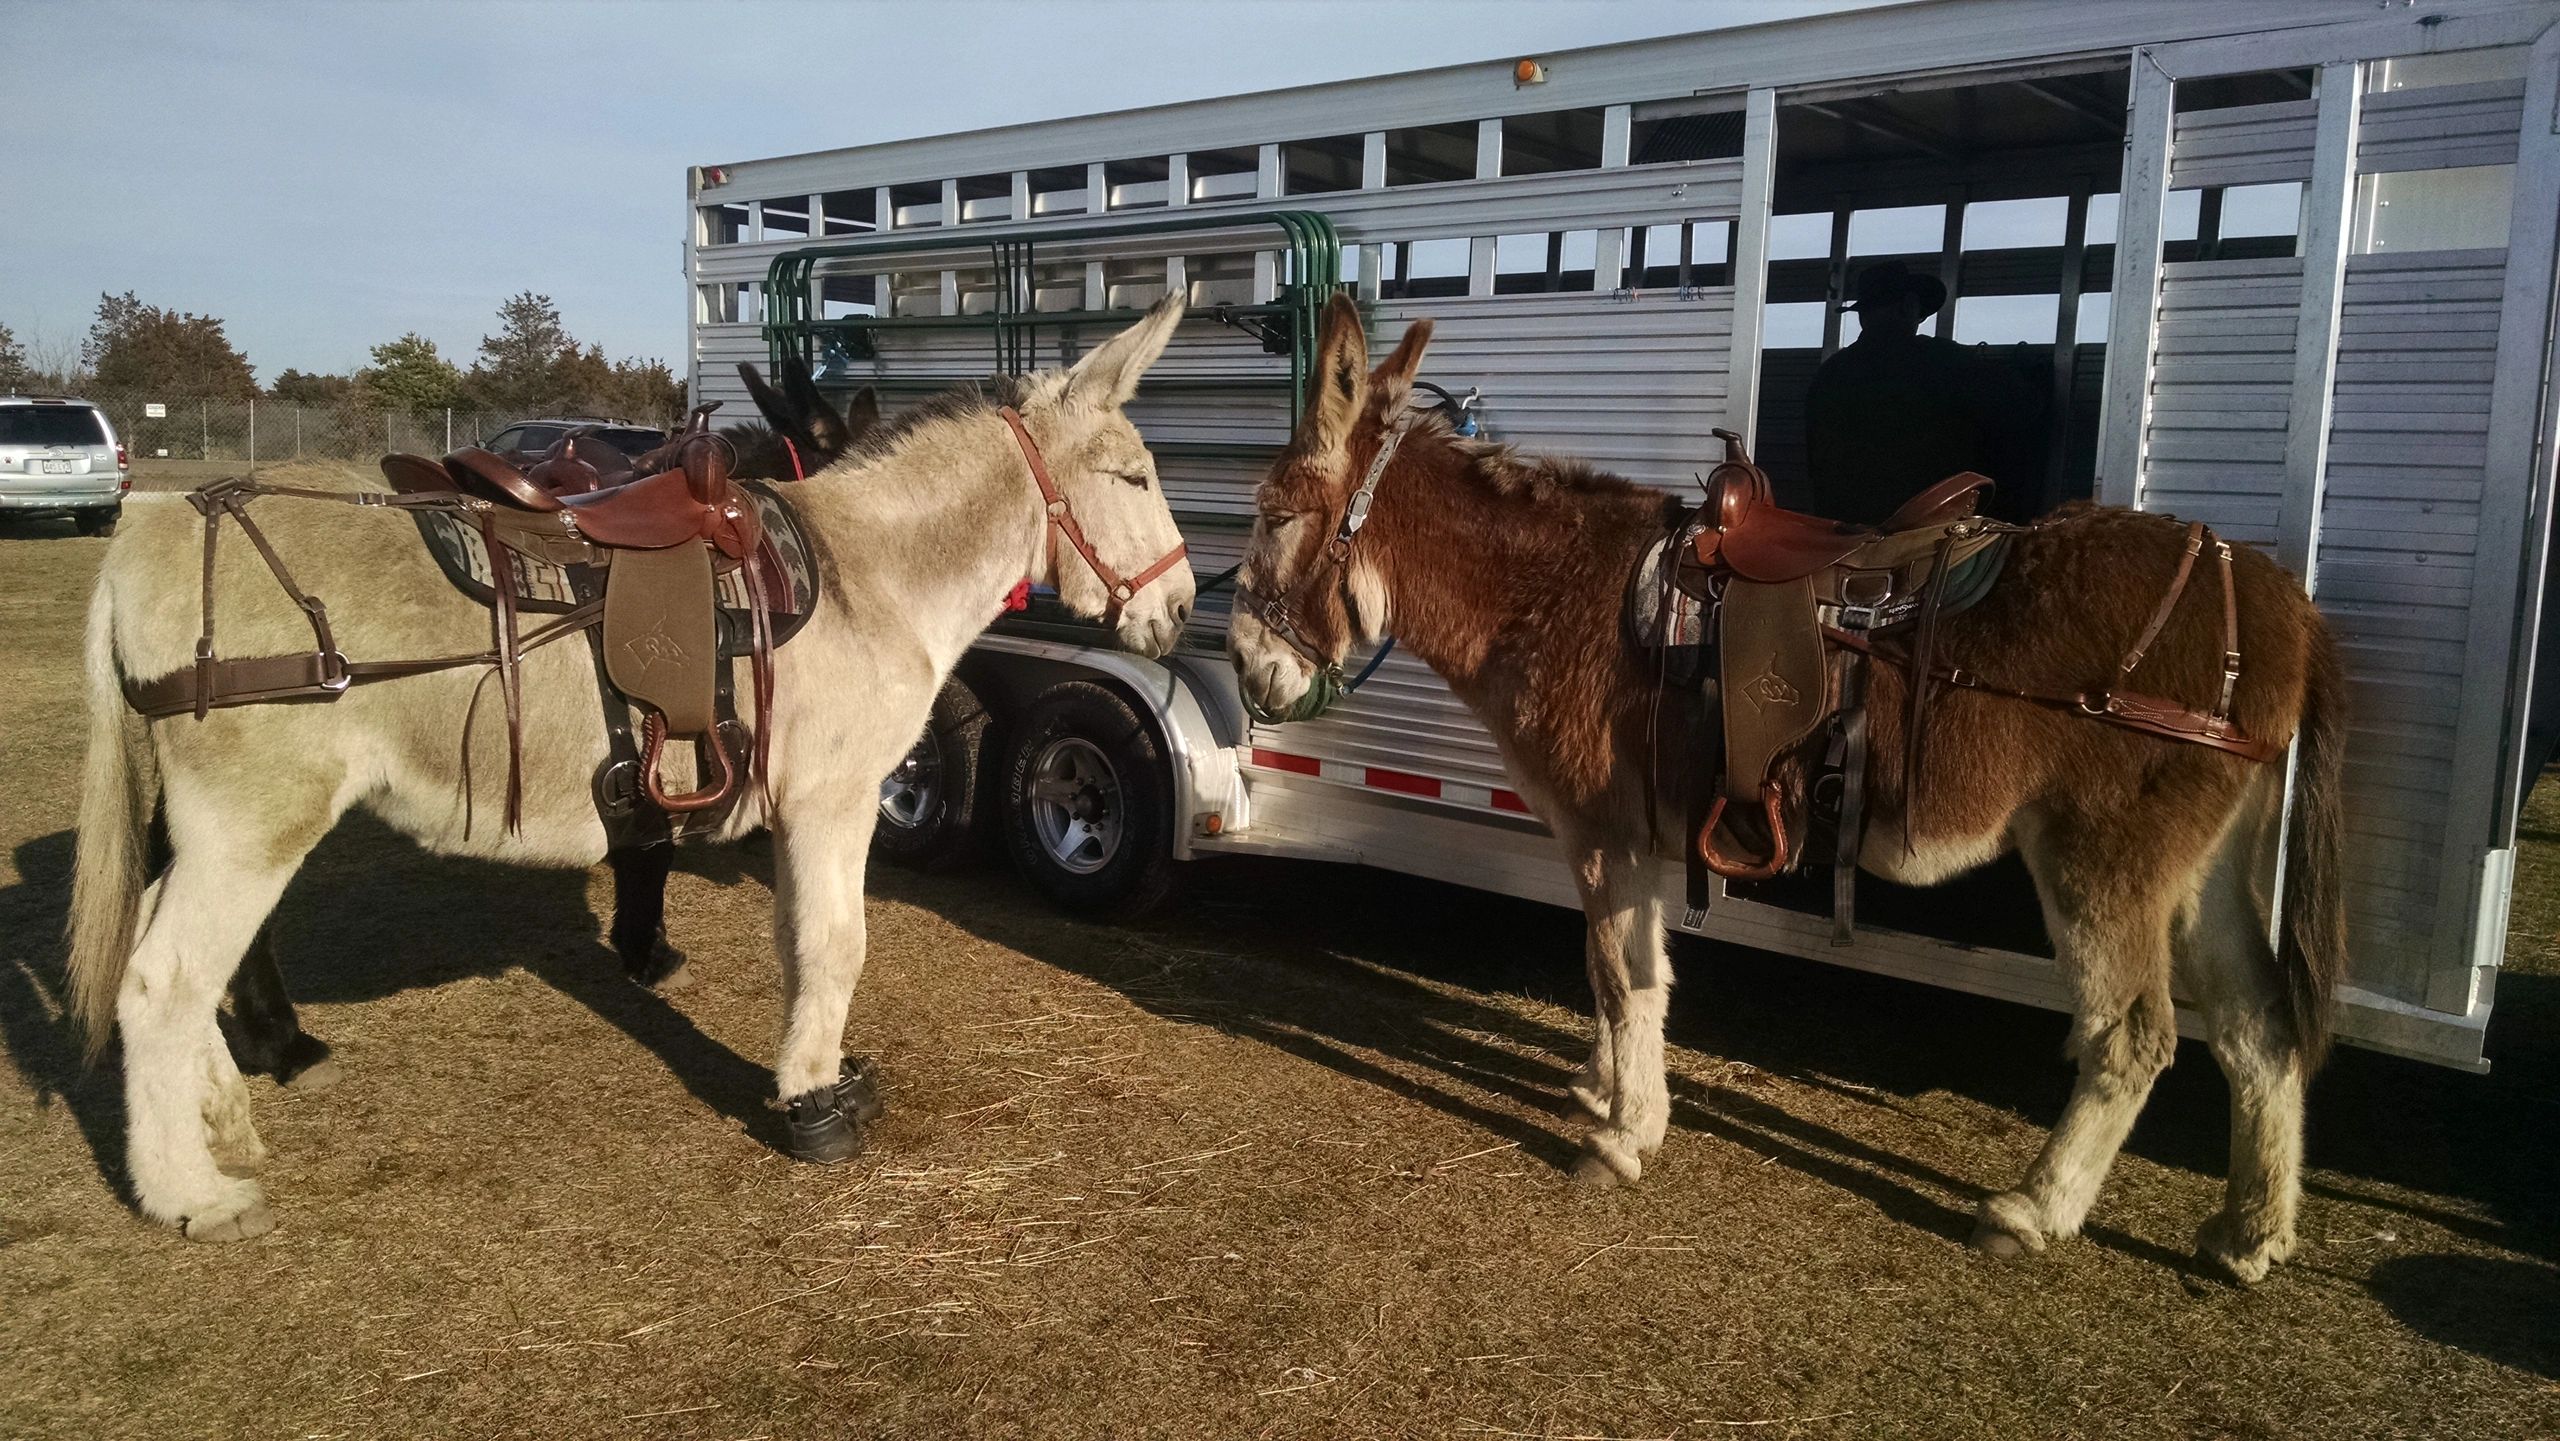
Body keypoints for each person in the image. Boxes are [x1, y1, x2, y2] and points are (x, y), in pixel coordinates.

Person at [1799, 260, 2046, 526]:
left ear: (1862, 315)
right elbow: (2024, 409)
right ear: (1908, 306)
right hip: (1926, 533)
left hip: (1841, 531)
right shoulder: (1947, 362)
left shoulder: (1830, 374)